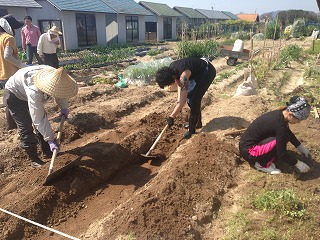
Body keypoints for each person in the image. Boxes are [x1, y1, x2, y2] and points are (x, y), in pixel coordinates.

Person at [3, 65, 78, 167]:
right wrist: (50, 139)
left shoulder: (55, 75)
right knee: (26, 126)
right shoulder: (34, 90)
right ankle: (34, 158)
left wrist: (64, 107)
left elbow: (60, 91)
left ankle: (48, 152)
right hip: (14, 95)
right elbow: (38, 119)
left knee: (41, 122)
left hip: (24, 88)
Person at [239, 96, 312, 175]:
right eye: (298, 119)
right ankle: (262, 164)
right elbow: (282, 154)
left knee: (285, 136)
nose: (298, 122)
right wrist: (298, 164)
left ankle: (264, 157)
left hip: (248, 145)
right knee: (281, 139)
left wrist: (300, 147)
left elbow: (288, 132)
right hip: (250, 152)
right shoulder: (280, 126)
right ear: (290, 114)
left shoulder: (279, 115)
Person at [155, 57, 216, 138]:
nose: (169, 85)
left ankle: (191, 130)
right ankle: (197, 123)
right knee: (190, 97)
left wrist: (171, 117)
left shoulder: (184, 76)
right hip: (196, 72)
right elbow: (179, 85)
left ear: (171, 78)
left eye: (168, 84)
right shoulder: (172, 69)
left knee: (194, 99)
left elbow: (182, 101)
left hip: (207, 72)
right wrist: (178, 101)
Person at [0, 14, 27, 130]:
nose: (16, 29)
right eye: (15, 27)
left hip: (2, 74)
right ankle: (18, 126)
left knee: (9, 101)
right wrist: (22, 66)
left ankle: (11, 126)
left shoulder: (1, 38)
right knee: (17, 102)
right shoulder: (9, 38)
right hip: (11, 75)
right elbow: (7, 56)